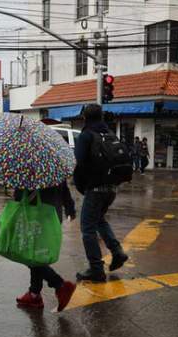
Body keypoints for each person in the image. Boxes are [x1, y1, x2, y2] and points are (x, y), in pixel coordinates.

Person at [73, 103, 129, 282]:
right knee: (99, 220)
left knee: (87, 228)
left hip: (95, 188)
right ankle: (117, 251)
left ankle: (96, 268)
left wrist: (80, 185)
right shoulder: (109, 133)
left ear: (85, 118)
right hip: (111, 188)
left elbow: (80, 162)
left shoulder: (86, 135)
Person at [14, 182, 78, 312]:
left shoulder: (28, 167)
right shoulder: (52, 166)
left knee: (29, 255)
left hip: (36, 216)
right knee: (36, 254)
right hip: (53, 215)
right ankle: (34, 294)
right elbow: (64, 189)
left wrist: (16, 193)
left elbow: (20, 195)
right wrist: (70, 208)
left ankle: (59, 284)